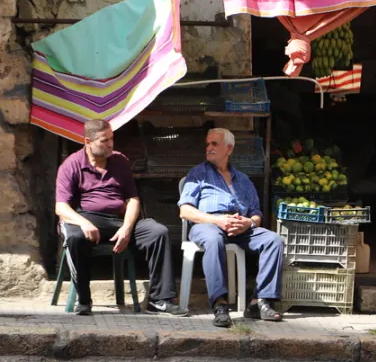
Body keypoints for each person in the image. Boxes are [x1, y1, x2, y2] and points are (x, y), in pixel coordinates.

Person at [55, 119, 184, 316]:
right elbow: (61, 207)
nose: (110, 144)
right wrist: (83, 222)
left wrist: (127, 228)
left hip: (117, 220)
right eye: (104, 140)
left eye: (111, 139)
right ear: (87, 141)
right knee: (74, 237)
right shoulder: (71, 165)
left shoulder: (119, 161)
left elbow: (132, 199)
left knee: (158, 232)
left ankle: (159, 299)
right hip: (85, 219)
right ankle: (84, 299)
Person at [178, 128, 284, 328]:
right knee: (213, 238)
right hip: (207, 225)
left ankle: (259, 302)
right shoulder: (198, 173)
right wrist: (217, 220)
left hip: (240, 228)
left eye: (214, 144)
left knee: (273, 240)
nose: (208, 148)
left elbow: (256, 213)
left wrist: (248, 223)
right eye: (207, 144)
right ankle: (220, 304)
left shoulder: (243, 179)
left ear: (229, 148)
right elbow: (185, 211)